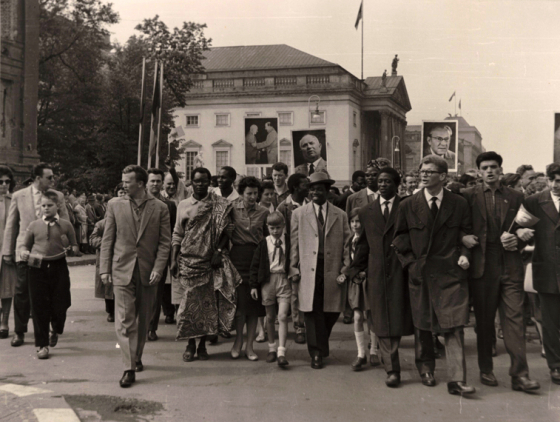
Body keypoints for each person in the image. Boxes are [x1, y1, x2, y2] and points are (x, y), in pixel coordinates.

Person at [392, 154, 475, 395]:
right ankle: (426, 368)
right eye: (422, 171)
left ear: (443, 176)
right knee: (423, 325)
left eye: (430, 171)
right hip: (421, 274)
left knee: (454, 325)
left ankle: (457, 380)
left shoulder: (458, 203)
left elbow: (466, 233)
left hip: (451, 274)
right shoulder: (408, 204)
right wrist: (410, 265)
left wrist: (464, 255)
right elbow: (400, 238)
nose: (424, 175)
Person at [462, 152, 539, 392]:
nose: (490, 171)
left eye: (494, 167)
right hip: (482, 267)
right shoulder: (467, 196)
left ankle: (520, 375)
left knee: (514, 321)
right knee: (484, 323)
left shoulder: (516, 196)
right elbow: (456, 227)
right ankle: (486, 370)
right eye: (484, 168)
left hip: (510, 265)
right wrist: (462, 237)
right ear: (478, 172)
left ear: (500, 169)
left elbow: (526, 226)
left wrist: (518, 236)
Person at [100, 165, 171, 388]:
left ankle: (136, 355)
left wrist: (159, 269)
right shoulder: (114, 205)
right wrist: (105, 269)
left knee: (143, 320)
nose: (123, 185)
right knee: (124, 319)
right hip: (122, 270)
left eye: (127, 181)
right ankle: (128, 367)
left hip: (148, 271)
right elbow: (108, 239)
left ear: (140, 184)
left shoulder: (160, 208)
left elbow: (164, 242)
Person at [346, 167, 414, 385]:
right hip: (376, 272)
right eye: (380, 181)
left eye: (387, 181)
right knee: (382, 320)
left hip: (401, 270)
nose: (383, 184)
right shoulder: (367, 211)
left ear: (397, 184)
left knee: (398, 317)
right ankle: (392, 369)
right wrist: (355, 268)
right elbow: (364, 244)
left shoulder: (407, 206)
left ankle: (420, 366)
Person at [170, 167, 242, 362]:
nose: (200, 184)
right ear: (191, 182)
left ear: (210, 182)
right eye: (196, 181)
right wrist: (174, 260)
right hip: (188, 262)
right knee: (187, 306)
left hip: (210, 262)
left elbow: (227, 231)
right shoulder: (183, 204)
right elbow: (178, 233)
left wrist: (218, 251)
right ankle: (189, 344)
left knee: (207, 306)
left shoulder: (220, 204)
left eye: (204, 181)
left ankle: (202, 345)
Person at [2, 163, 70, 347]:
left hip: (50, 254)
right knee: (22, 292)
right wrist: (8, 252)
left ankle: (50, 329)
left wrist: (64, 247)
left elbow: (65, 224)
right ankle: (19, 331)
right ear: (37, 178)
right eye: (50, 177)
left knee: (51, 294)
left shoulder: (58, 197)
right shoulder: (19, 196)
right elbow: (12, 225)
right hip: (25, 253)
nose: (53, 180)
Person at [289, 172, 351, 369]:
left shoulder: (340, 215)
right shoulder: (299, 214)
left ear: (327, 191)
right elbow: (294, 243)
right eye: (312, 189)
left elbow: (348, 243)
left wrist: (346, 266)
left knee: (331, 310)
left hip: (332, 268)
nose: (315, 192)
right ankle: (316, 352)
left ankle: (320, 344)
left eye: (319, 189)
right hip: (308, 269)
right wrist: (293, 267)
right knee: (312, 309)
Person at [19, 190, 79, 359]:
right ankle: (42, 345)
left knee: (62, 303)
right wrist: (24, 252)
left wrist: (72, 248)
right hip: (36, 266)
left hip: (59, 265)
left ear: (58, 206)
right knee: (39, 306)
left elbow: (75, 246)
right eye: (43, 205)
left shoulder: (66, 225)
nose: (45, 208)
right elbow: (25, 246)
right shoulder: (34, 225)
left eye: (49, 205)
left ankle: (56, 328)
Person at [518, 163, 560, 386]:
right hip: (547, 269)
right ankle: (556, 366)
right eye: (553, 180)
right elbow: (517, 226)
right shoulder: (534, 201)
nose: (556, 185)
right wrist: (521, 231)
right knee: (550, 321)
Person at [230, 176, 270, 361]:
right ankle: (238, 341)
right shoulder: (231, 208)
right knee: (239, 306)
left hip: (257, 258)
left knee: (254, 307)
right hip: (237, 258)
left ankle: (250, 346)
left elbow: (268, 238)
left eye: (255, 193)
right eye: (249, 193)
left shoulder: (263, 211)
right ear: (241, 193)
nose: (253, 196)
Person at [250, 211, 291, 367]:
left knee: (282, 316)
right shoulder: (263, 243)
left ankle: (281, 351)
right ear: (267, 227)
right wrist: (254, 285)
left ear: (283, 226)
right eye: (272, 228)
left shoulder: (289, 241)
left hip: (284, 280)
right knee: (270, 317)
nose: (275, 231)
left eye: (278, 227)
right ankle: (272, 348)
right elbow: (255, 266)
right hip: (268, 281)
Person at [276, 173, 310, 345]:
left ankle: (308, 324)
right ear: (296, 187)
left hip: (309, 254)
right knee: (295, 293)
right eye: (306, 184)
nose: (309, 187)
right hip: (292, 255)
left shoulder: (311, 204)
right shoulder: (283, 208)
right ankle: (299, 326)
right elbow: (279, 237)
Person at [146, 168, 177, 342]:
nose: (156, 184)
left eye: (159, 181)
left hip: (160, 254)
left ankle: (151, 327)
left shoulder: (169, 205)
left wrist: (172, 258)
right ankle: (139, 325)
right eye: (153, 181)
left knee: (156, 293)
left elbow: (173, 232)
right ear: (146, 182)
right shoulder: (138, 202)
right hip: (141, 254)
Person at [0, 165, 17, 339]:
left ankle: (4, 322)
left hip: (6, 251)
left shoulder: (13, 201)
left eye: (7, 181)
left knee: (6, 287)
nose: (4, 184)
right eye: (0, 181)